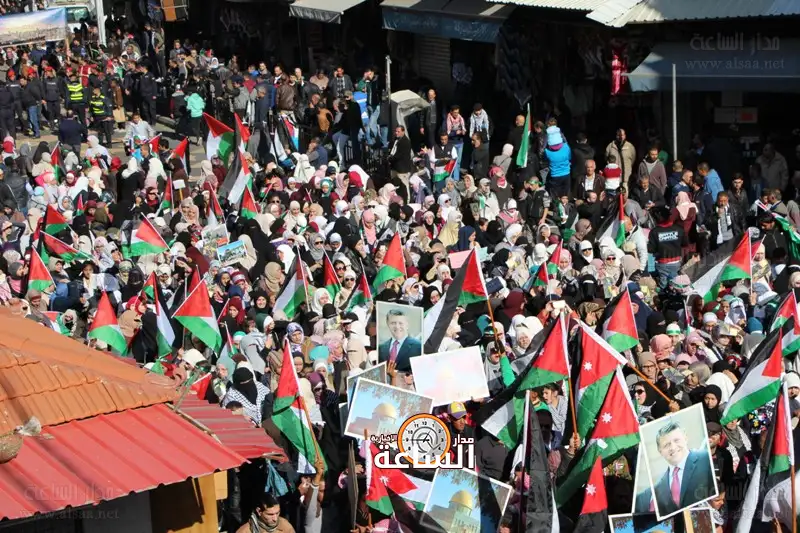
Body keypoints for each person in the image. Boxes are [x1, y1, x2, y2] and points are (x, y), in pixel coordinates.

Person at [651, 420, 715, 515]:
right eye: (666, 445)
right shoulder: (658, 488)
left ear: (685, 438)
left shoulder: (705, 459)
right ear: (660, 451)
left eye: (676, 440)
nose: (673, 447)